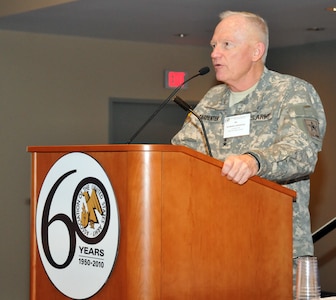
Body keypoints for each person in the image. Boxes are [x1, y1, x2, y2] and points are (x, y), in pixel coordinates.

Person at [171, 10, 326, 298]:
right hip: (213, 248)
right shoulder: (211, 100)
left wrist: (255, 161)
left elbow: (303, 152)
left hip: (274, 250)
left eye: (226, 45)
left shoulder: (292, 92)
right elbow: (182, 156)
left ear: (257, 50)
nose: (215, 53)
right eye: (213, 46)